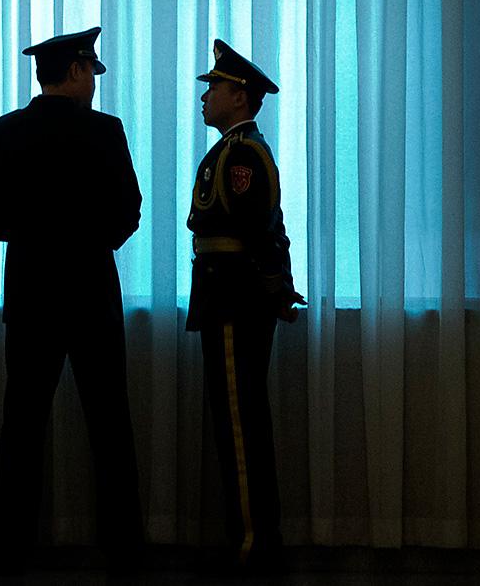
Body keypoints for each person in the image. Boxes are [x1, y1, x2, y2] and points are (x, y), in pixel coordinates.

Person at [0, 26, 145, 575]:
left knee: (20, 425)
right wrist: (90, 240)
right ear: (74, 71)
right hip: (92, 292)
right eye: (90, 72)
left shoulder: (1, 133)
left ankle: (8, 552)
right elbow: (129, 210)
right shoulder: (106, 131)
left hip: (31, 294)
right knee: (110, 425)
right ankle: (123, 551)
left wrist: (36, 235)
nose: (93, 83)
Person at [186, 39, 305, 573]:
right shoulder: (229, 150)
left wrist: (273, 286)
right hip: (225, 296)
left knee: (240, 422)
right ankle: (250, 536)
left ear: (240, 96)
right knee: (237, 419)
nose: (205, 97)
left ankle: (255, 543)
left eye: (214, 87)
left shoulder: (243, 155)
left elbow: (262, 230)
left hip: (234, 300)